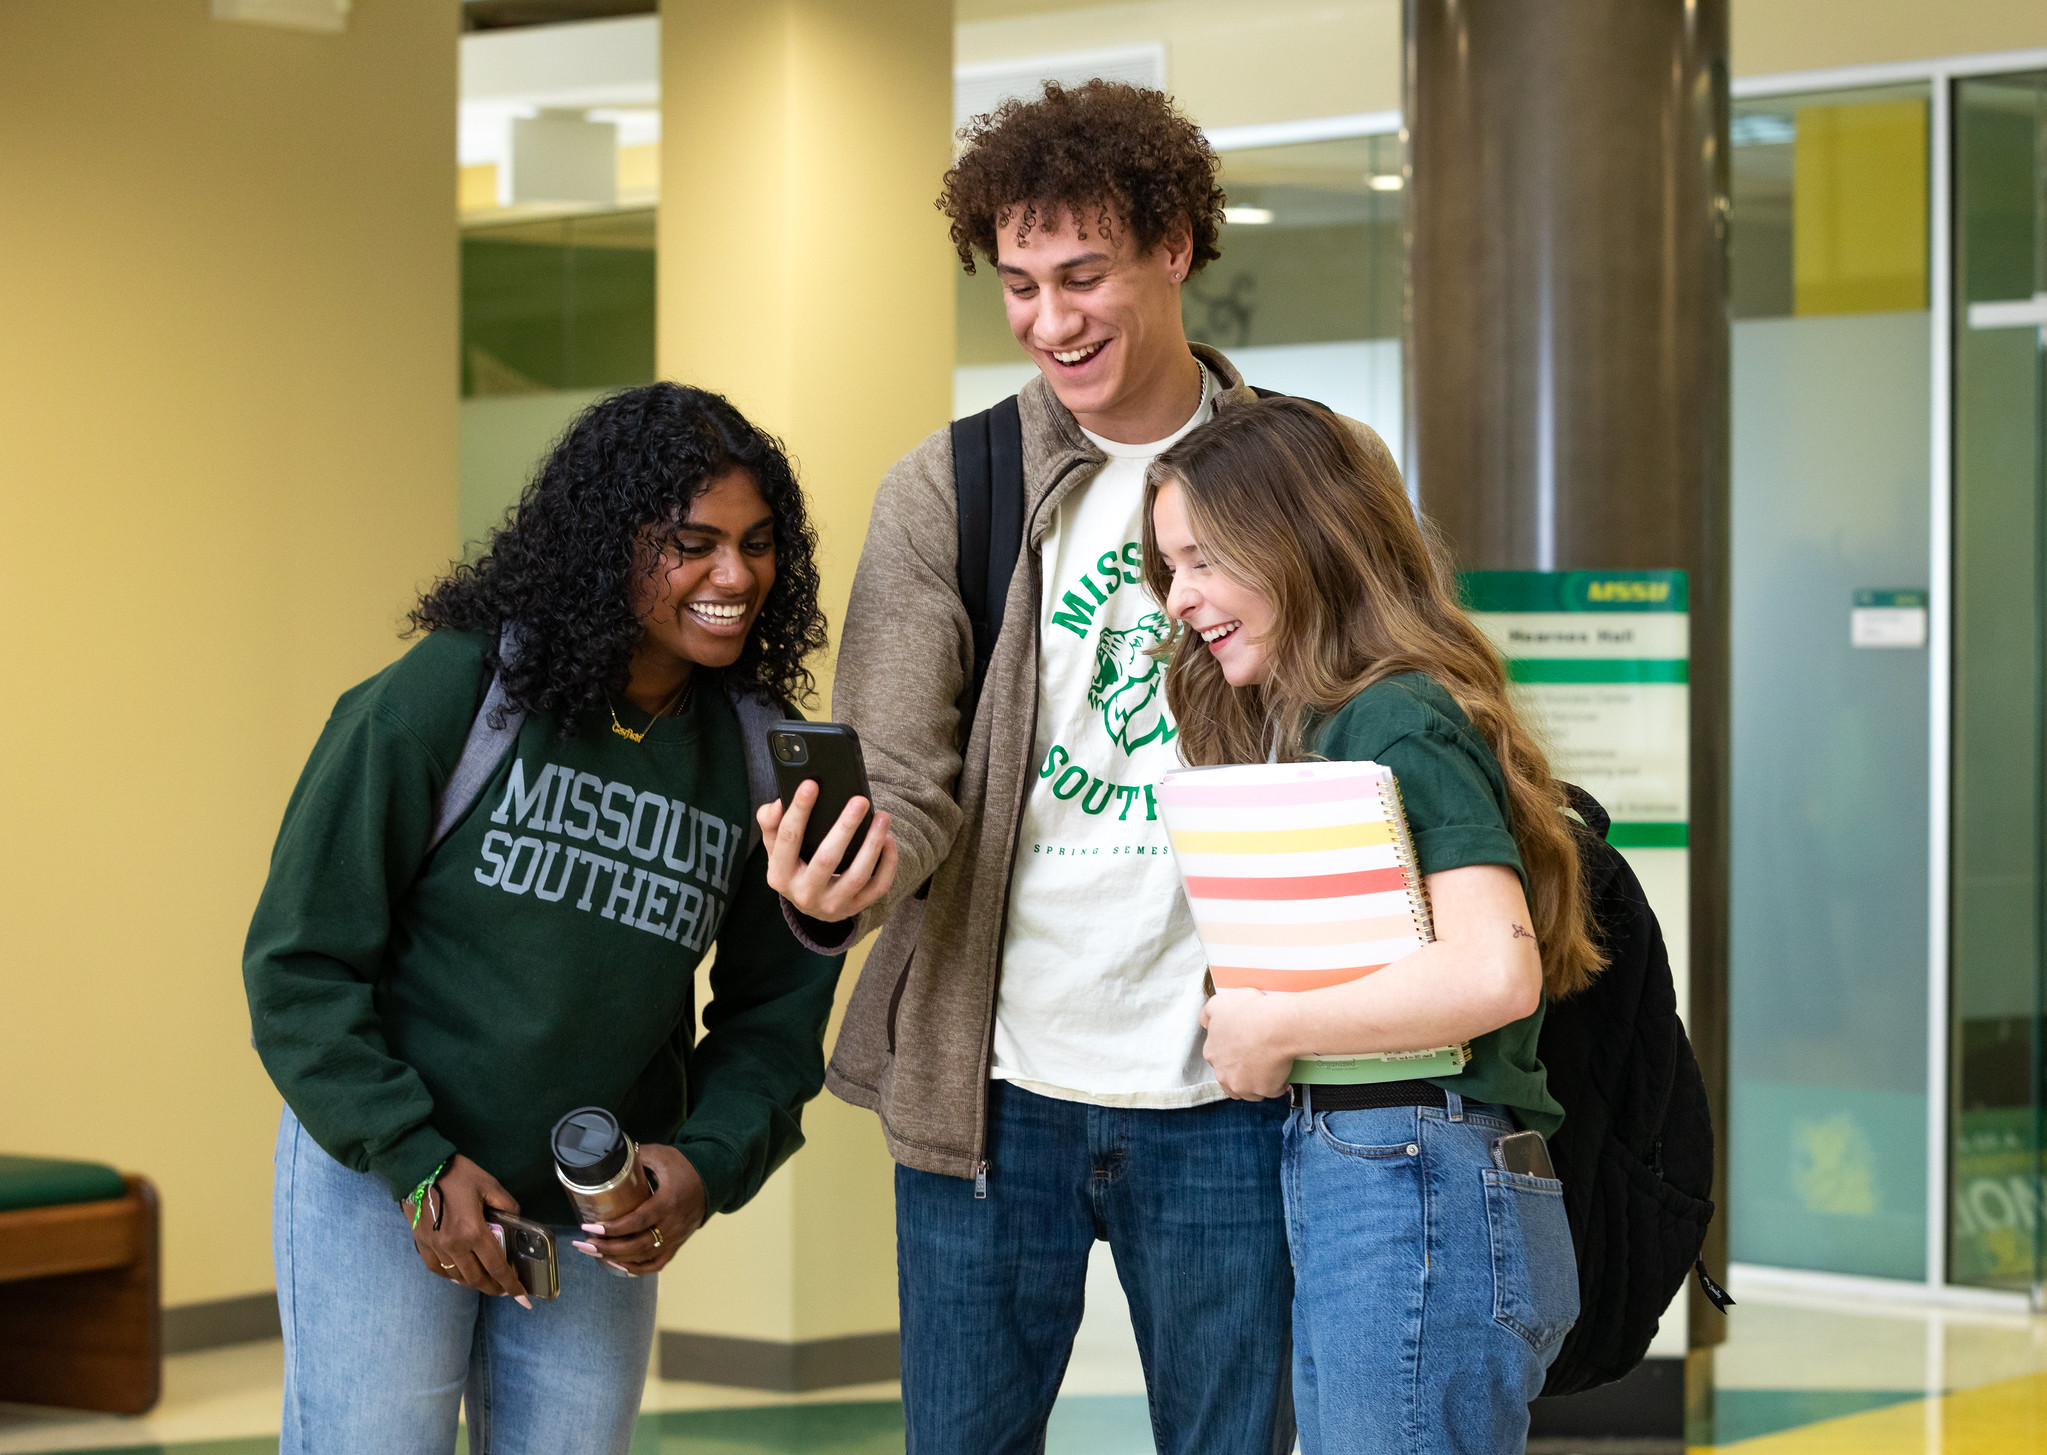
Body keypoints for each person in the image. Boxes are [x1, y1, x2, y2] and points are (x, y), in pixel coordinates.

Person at [759, 81, 1398, 1454]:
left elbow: (1386, 721)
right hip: (991, 1089)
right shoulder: (948, 486)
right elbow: (904, 781)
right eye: (1019, 284)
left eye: (1083, 275)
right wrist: (842, 874)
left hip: (1232, 1083)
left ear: (1174, 245)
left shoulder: (1320, 470)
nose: (1051, 321)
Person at [243, 383, 847, 1455]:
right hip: (388, 1178)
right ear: (604, 546)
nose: (735, 577)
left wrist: (700, 1163)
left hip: (593, 1202)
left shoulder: (757, 751)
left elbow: (773, 1018)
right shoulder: (454, 692)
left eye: (757, 546)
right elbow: (300, 963)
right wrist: (412, 1157)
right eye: (692, 544)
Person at [1142, 396, 1595, 1455]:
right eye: (1169, 567)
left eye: (1205, 559)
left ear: (1300, 540)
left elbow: (1493, 970)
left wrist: (1274, 1025)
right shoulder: (1351, 719)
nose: (1180, 598)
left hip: (1413, 1177)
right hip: (1395, 1173)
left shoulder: (1393, 716)